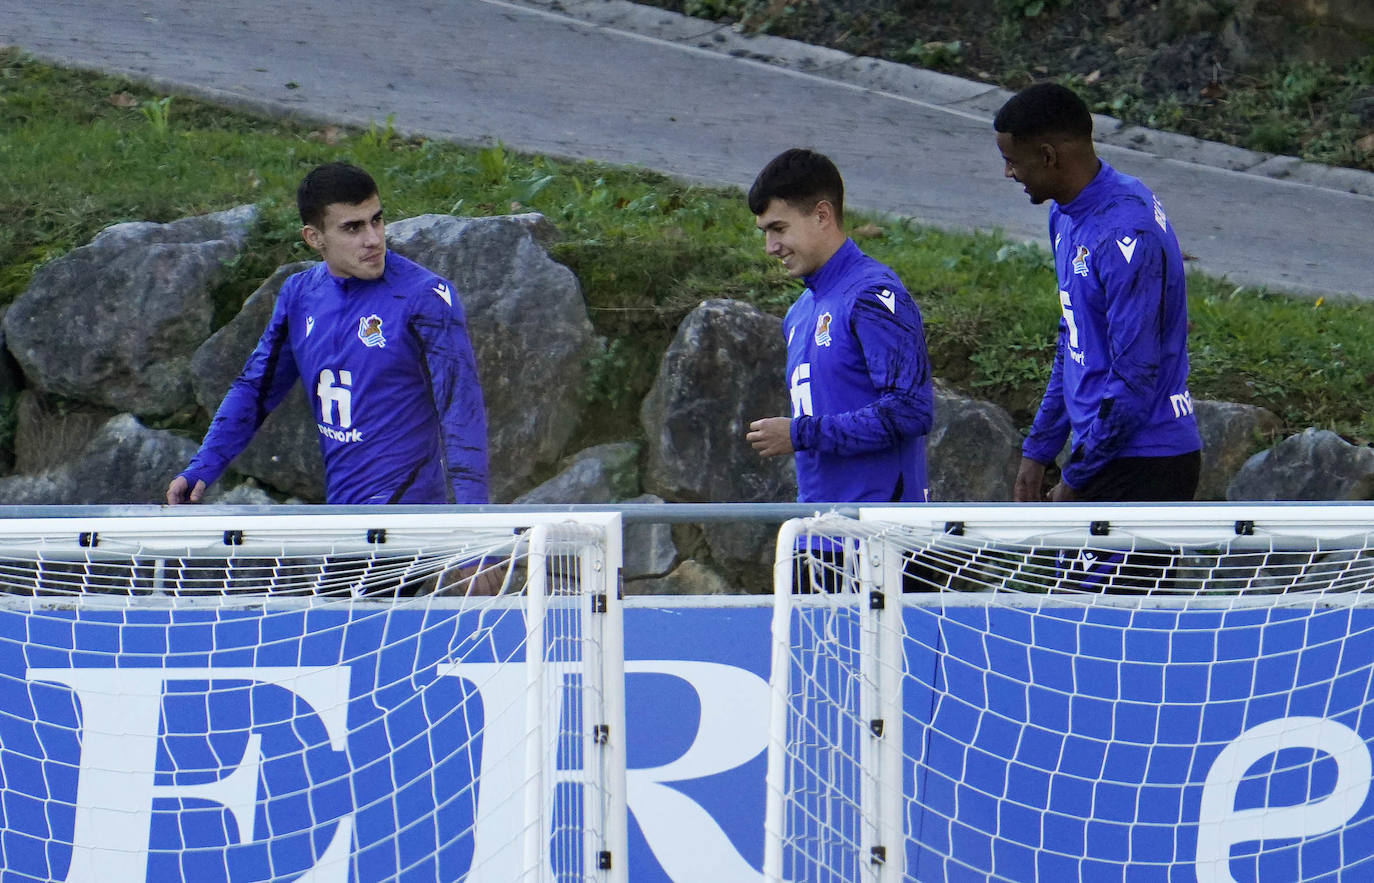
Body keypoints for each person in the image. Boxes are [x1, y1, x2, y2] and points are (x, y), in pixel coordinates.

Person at [167, 162, 490, 506]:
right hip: (339, 515)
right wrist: (201, 468)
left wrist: (472, 526)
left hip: (407, 522)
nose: (373, 239)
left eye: (376, 220)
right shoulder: (299, 295)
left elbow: (460, 408)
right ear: (314, 238)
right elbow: (255, 389)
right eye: (353, 228)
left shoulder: (425, 296)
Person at [994, 83, 1202, 504]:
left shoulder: (1126, 233)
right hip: (1103, 455)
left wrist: (1076, 478)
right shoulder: (1065, 215)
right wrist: (1039, 449)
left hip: (1143, 464)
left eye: (1012, 161)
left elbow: (1135, 378)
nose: (1008, 173)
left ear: (1049, 156)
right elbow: (1073, 337)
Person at [746, 148, 933, 506]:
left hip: (882, 536)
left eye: (778, 229)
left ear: (822, 215)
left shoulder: (873, 294)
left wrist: (800, 433)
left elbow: (911, 411)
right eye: (764, 232)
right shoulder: (800, 312)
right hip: (818, 528)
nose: (770, 247)